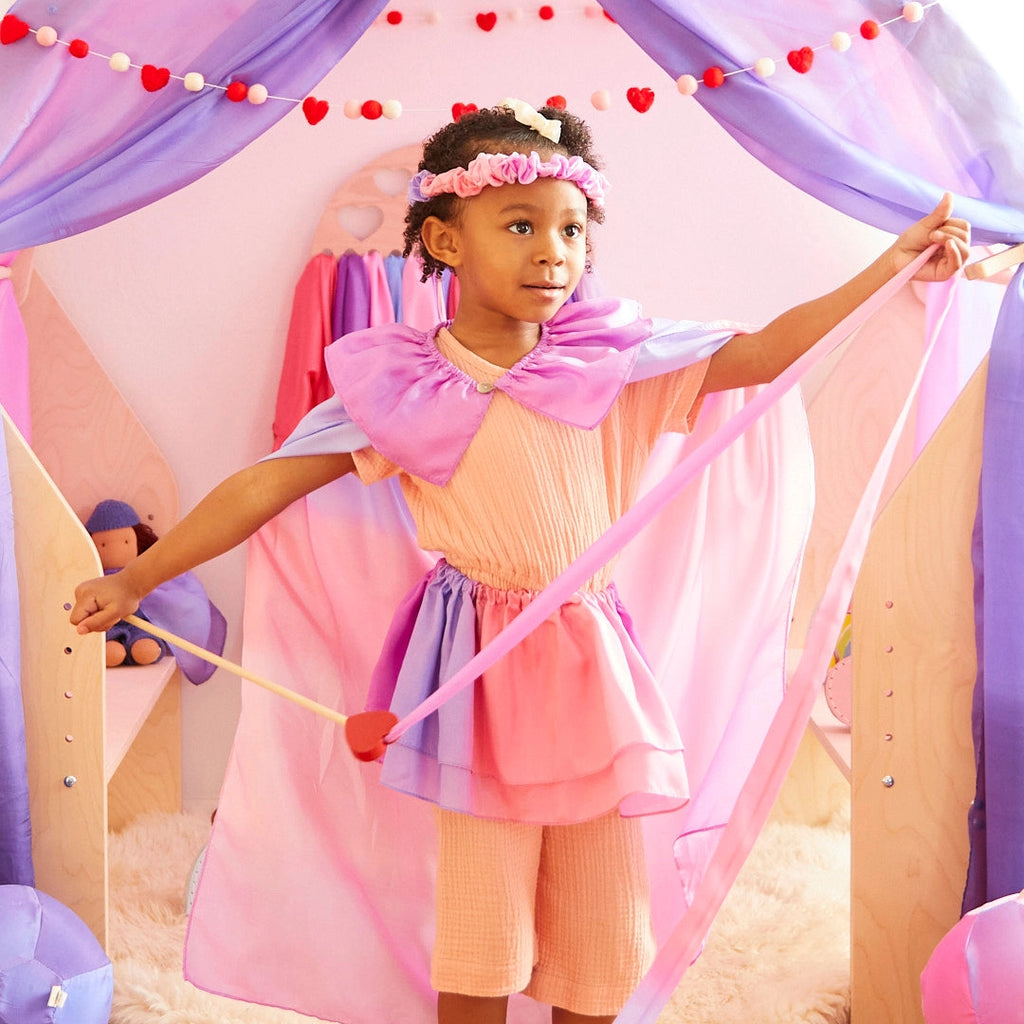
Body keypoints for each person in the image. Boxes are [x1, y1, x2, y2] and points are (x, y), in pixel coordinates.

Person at [70, 101, 970, 1024]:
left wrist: (890, 265)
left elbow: (768, 351)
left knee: (600, 923)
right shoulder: (407, 387)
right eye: (521, 226)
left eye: (572, 231)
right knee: (481, 921)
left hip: (593, 672)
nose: (554, 251)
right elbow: (260, 488)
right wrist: (136, 578)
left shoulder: (612, 369)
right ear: (444, 242)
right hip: (477, 677)